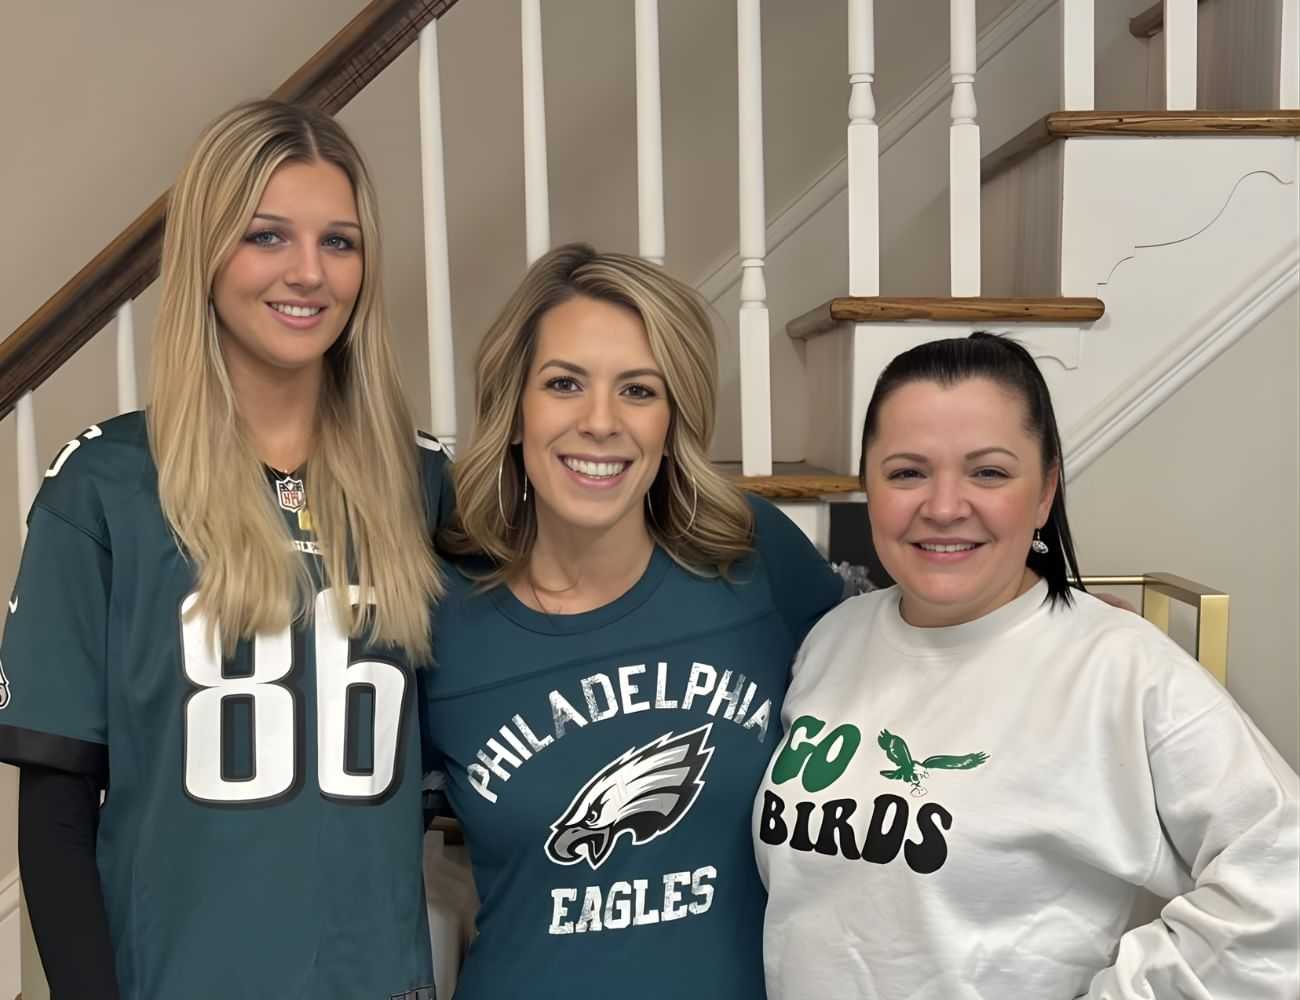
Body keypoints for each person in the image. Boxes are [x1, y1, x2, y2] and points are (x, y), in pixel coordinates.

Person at [0, 100, 450, 1000]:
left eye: (340, 242)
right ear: (207, 253)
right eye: (268, 236)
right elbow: (53, 818)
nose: (310, 274)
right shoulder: (105, 487)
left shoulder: (426, 484)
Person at [754, 332, 1300, 999]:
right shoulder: (832, 640)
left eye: (988, 472)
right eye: (907, 471)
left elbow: (1282, 880)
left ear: (1044, 493)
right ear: (868, 487)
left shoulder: (1121, 668)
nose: (945, 505)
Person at [422, 243, 844, 998]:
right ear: (514, 412)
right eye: (563, 384)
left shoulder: (755, 556)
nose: (600, 422)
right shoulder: (441, 611)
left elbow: (902, 673)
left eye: (639, 391)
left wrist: (1038, 630)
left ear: (671, 420)